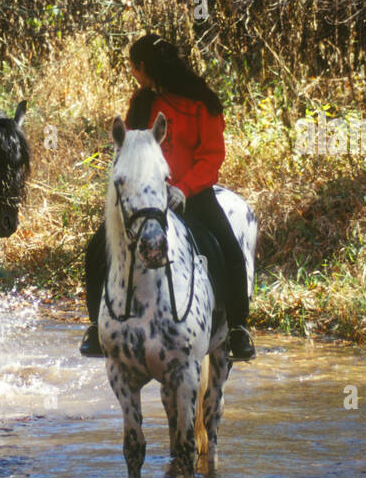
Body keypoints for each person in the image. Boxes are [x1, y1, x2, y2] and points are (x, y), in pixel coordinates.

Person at [80, 32, 256, 362]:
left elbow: (212, 156)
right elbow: (131, 149)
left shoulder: (204, 102)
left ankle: (238, 329)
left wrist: (183, 189)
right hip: (147, 199)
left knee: (231, 251)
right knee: (96, 250)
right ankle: (95, 327)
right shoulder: (143, 102)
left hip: (194, 196)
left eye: (133, 67)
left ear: (145, 67)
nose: (133, 73)